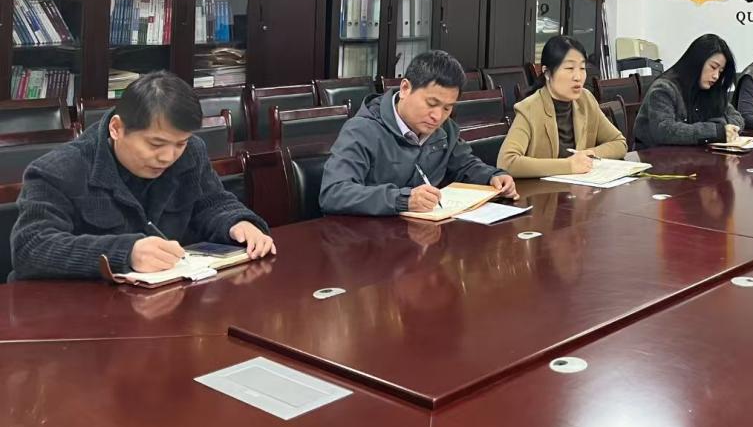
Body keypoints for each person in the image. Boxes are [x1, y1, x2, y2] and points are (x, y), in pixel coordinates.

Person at [10, 71, 274, 281]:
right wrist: (125, 253)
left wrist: (238, 223)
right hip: (75, 311)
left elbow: (211, 203)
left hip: (165, 298)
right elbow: (31, 246)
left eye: (180, 143)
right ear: (116, 129)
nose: (168, 157)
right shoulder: (58, 170)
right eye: (156, 144)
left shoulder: (191, 152)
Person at [320, 49, 517, 215]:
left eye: (447, 108)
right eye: (431, 103)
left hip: (422, 233)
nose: (437, 116)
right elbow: (334, 192)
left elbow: (465, 164)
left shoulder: (444, 129)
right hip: (369, 238)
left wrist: (493, 176)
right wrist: (403, 200)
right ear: (405, 88)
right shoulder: (362, 130)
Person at [497, 35, 627, 178]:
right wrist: (568, 166)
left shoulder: (586, 100)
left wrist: (589, 154)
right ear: (547, 73)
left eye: (582, 68)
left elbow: (619, 143)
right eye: (570, 68)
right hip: (542, 190)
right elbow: (507, 162)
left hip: (579, 188)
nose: (578, 77)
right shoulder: (529, 108)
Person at [632, 34, 744, 149]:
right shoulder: (664, 89)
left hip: (693, 155)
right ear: (696, 62)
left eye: (720, 71)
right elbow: (664, 131)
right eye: (713, 67)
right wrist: (716, 131)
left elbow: (737, 118)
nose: (716, 76)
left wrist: (720, 127)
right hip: (655, 156)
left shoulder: (709, 89)